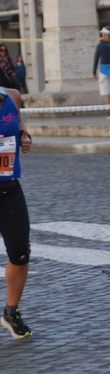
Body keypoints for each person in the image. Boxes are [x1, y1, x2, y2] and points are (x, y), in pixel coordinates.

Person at [0, 86, 32, 339]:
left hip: (9, 188)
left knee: (20, 253)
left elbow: (18, 122)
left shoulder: (11, 96)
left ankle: (11, 311)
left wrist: (24, 135)